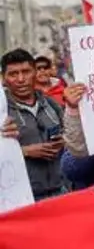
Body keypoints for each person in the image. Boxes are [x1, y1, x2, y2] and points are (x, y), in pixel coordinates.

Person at [3, 49, 65, 200]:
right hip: (21, 199)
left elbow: (69, 135)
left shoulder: (50, 104)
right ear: (3, 78)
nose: (21, 79)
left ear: (34, 73)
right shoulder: (1, 111)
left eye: (26, 71)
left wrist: (64, 141)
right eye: (13, 74)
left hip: (60, 192)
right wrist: (23, 152)